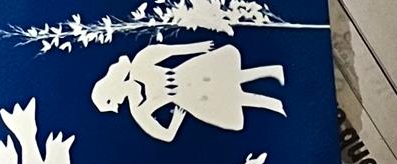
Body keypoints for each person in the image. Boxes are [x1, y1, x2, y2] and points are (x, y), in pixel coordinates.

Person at [91, 40, 285, 141]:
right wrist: (176, 121)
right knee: (233, 97)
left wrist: (198, 48)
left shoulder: (140, 64)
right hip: (191, 98)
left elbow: (169, 51)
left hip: (190, 73)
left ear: (111, 90)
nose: (117, 106)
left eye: (111, 102)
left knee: (231, 77)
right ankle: (273, 103)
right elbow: (166, 136)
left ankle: (272, 72)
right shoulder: (138, 110)